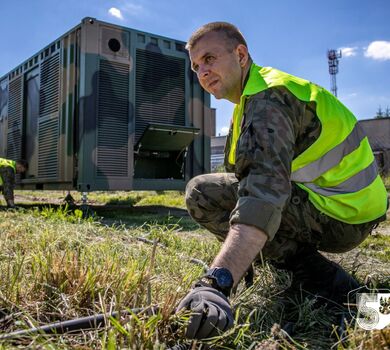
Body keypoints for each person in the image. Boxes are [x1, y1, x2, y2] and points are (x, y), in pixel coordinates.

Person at [176, 22, 388, 340]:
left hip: (345, 211)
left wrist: (217, 282)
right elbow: (244, 180)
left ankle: (343, 293)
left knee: (202, 193)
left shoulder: (267, 101)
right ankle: (311, 274)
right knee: (214, 191)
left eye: (209, 58)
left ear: (241, 54)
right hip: (349, 204)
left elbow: (261, 197)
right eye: (196, 66)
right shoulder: (250, 101)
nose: (202, 72)